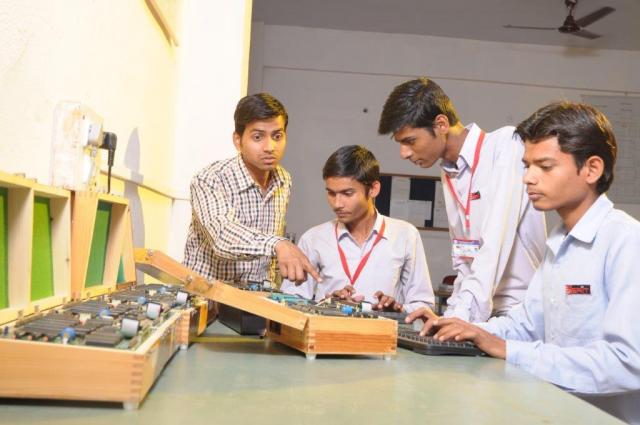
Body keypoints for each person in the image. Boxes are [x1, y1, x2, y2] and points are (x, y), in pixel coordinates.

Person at [407, 102, 640, 421]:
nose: (527, 178)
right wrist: (466, 330)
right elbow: (526, 325)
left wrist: (509, 350)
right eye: (526, 166)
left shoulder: (626, 242)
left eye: (544, 166)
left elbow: (628, 363)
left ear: (592, 169)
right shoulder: (559, 244)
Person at [378, 77, 546, 322]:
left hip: (519, 312)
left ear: (441, 124)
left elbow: (493, 248)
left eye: (410, 141)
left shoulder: (505, 146)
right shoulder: (450, 172)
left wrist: (459, 319)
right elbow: (466, 262)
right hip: (482, 314)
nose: (404, 153)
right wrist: (446, 317)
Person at [183, 93, 320, 284]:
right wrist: (278, 244)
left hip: (256, 297)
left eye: (277, 136)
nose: (270, 147)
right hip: (207, 296)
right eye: (258, 137)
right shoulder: (210, 179)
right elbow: (222, 237)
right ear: (238, 140)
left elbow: (269, 253)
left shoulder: (283, 179)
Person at [281, 145, 434, 313]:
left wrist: (398, 311)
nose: (337, 204)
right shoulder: (313, 239)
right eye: (331, 193)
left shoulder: (405, 235)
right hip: (327, 329)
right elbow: (289, 301)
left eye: (347, 193)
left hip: (382, 330)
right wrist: (325, 305)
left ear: (373, 189)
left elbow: (424, 305)